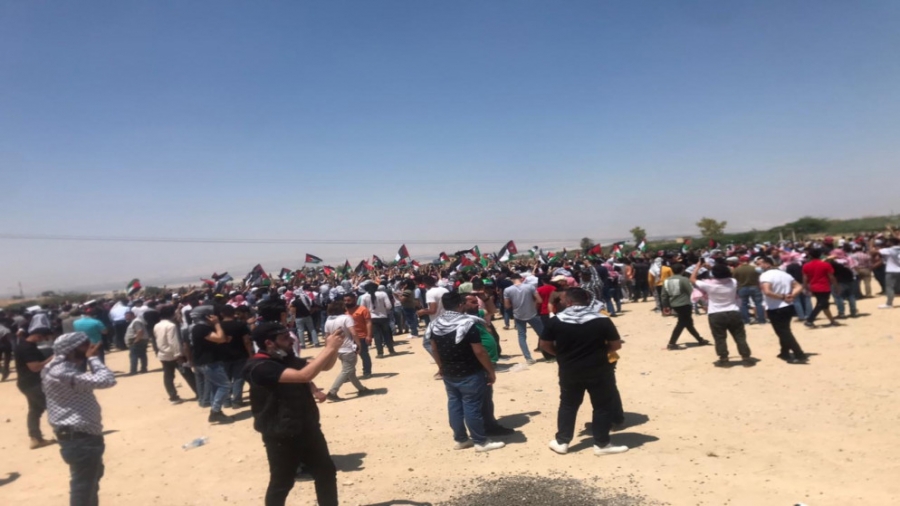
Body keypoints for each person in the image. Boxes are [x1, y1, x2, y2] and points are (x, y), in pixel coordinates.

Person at [243, 322, 343, 506]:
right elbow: (304, 376)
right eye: (284, 338)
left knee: (326, 472)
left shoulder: (286, 359)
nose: (291, 341)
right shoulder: (259, 366)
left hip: (308, 427)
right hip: (280, 434)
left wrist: (334, 347)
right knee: (282, 482)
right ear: (269, 343)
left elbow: (324, 366)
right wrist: (329, 348)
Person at [540, 287, 628, 456]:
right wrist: (600, 353)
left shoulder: (556, 321)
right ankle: (602, 444)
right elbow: (616, 345)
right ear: (587, 301)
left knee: (568, 405)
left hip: (569, 370)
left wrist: (561, 355)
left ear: (569, 302)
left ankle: (562, 442)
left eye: (563, 300)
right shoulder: (602, 320)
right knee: (602, 406)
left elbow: (544, 345)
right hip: (599, 369)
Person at [42, 332, 116, 506]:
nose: (90, 348)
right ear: (71, 349)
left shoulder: (58, 368)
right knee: (83, 486)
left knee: (90, 482)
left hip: (81, 436)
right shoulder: (62, 372)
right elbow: (107, 380)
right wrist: (93, 359)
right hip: (80, 439)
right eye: (85, 345)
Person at [426, 292, 505, 453]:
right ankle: (480, 441)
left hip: (449, 372)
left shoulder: (435, 324)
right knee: (472, 406)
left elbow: (434, 349)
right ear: (460, 304)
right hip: (470, 371)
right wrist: (490, 371)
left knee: (454, 404)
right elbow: (479, 351)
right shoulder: (467, 323)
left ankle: (461, 439)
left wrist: (441, 367)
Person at [462, 293, 514, 436]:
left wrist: (485, 298)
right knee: (483, 396)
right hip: (481, 360)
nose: (476, 304)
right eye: (472, 302)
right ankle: (488, 426)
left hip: (488, 358)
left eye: (476, 301)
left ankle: (487, 424)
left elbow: (492, 311)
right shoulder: (462, 320)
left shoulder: (477, 314)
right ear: (463, 304)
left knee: (486, 395)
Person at [690, 259, 755, 367]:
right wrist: (713, 268)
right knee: (739, 336)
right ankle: (746, 357)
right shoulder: (733, 282)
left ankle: (724, 359)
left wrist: (698, 266)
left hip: (716, 313)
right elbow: (726, 273)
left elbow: (692, 279)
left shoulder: (708, 285)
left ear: (714, 274)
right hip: (733, 311)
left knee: (719, 337)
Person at [757, 256, 808, 363]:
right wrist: (791, 295)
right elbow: (799, 286)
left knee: (783, 332)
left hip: (775, 307)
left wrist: (783, 297)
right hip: (788, 306)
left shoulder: (765, 276)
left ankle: (799, 354)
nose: (759, 266)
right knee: (784, 330)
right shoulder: (785, 274)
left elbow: (767, 291)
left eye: (760, 264)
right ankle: (784, 352)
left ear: (767, 264)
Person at [16, 314, 56, 449]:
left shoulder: (25, 345)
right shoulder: (27, 348)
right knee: (53, 407)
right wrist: (52, 358)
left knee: (35, 410)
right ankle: (67, 433)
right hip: (32, 384)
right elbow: (35, 367)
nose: (44, 340)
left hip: (27, 383)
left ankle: (35, 438)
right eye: (44, 338)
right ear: (38, 336)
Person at [190, 305, 234, 424]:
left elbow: (214, 341)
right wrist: (217, 324)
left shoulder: (199, 328)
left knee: (216, 387)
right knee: (225, 386)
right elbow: (220, 338)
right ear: (206, 316)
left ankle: (216, 410)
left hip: (206, 362)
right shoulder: (201, 328)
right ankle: (215, 412)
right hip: (209, 362)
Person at [323, 300, 373, 401]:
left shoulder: (328, 320)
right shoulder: (346, 318)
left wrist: (328, 348)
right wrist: (358, 344)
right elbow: (353, 333)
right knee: (347, 370)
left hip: (338, 349)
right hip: (348, 348)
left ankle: (361, 389)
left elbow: (327, 336)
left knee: (351, 371)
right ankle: (332, 392)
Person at [661, 263, 710, 350]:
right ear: (682, 270)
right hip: (685, 304)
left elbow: (664, 295)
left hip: (674, 305)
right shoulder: (684, 280)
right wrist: (702, 304)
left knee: (688, 323)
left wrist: (665, 306)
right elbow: (692, 293)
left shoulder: (667, 281)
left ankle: (700, 340)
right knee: (682, 323)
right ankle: (671, 343)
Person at [154, 304, 195, 403]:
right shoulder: (171, 326)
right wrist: (179, 355)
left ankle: (173, 396)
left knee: (168, 376)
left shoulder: (157, 325)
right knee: (188, 374)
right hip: (174, 355)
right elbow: (173, 342)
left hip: (163, 354)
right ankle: (199, 392)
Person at [503, 272, 544, 365]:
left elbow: (507, 306)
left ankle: (528, 358)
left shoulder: (507, 290)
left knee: (521, 336)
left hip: (518, 315)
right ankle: (548, 353)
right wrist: (533, 304)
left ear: (511, 280)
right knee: (542, 334)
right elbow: (540, 300)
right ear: (521, 278)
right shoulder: (530, 287)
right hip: (532, 313)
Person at [220, 304, 253, 408]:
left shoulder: (218, 326)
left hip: (223, 356)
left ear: (221, 314)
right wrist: (250, 354)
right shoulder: (240, 325)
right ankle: (237, 401)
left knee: (225, 379)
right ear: (233, 313)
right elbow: (246, 341)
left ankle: (226, 401)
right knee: (238, 378)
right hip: (240, 354)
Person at [802, 248, 840, 327]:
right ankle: (809, 320)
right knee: (821, 304)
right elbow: (831, 277)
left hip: (813, 287)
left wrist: (805, 288)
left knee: (824, 305)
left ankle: (832, 321)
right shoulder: (825, 265)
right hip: (824, 287)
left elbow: (805, 278)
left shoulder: (806, 265)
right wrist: (836, 287)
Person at [361, 283, 395, 358]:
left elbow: (362, 309)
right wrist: (383, 310)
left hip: (372, 318)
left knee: (377, 336)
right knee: (387, 334)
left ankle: (380, 353)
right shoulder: (383, 294)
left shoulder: (364, 297)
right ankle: (391, 350)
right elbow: (389, 306)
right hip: (383, 317)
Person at [343, 294, 373, 379]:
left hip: (361, 337)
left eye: (349, 300)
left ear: (355, 299)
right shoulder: (344, 311)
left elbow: (368, 323)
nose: (346, 302)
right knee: (349, 357)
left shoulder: (363, 309)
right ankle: (349, 375)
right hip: (348, 338)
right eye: (345, 301)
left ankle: (367, 372)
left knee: (364, 355)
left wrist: (369, 335)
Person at [734, 255, 767, 325]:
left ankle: (746, 321)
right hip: (754, 287)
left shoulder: (737, 269)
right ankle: (761, 320)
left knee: (743, 305)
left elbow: (734, 279)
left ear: (740, 261)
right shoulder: (755, 268)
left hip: (742, 288)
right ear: (748, 261)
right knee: (758, 304)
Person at [875, 234, 900, 308]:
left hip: (891, 270)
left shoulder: (888, 250)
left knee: (889, 287)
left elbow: (875, 251)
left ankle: (889, 303)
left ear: (891, 243)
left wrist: (872, 240)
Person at [123, 310, 150, 375]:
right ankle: (143, 369)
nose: (126, 317)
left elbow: (140, 331)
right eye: (125, 316)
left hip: (138, 340)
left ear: (132, 315)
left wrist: (136, 340)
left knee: (133, 355)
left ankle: (133, 370)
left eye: (127, 316)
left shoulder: (136, 321)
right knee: (142, 354)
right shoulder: (135, 321)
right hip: (140, 340)